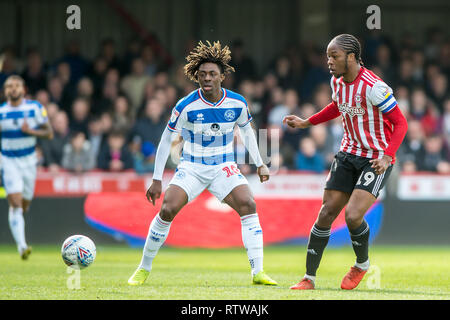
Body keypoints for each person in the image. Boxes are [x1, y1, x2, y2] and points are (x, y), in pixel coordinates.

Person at [128, 40, 277, 286]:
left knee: (248, 204)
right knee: (166, 209)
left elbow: (248, 132)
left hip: (223, 166)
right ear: (196, 77)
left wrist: (260, 162)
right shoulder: (185, 105)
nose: (207, 78)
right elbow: (166, 139)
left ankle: (258, 272)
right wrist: (156, 179)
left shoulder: (237, 103)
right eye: (202, 74)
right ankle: (143, 268)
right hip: (192, 167)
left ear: (222, 76)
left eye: (212, 74)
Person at [283, 34, 408, 290]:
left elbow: (401, 123)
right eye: (328, 56)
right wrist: (308, 122)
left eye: (334, 56)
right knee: (327, 213)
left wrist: (387, 156)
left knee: (352, 216)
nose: (329, 61)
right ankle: (309, 278)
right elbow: (337, 106)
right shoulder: (336, 81)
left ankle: (362, 264)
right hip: (347, 154)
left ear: (351, 57)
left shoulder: (374, 87)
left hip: (375, 159)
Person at [0, 75, 53, 259]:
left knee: (24, 205)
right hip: (8, 161)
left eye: (16, 86)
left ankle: (20, 234)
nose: (13, 89)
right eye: (9, 86)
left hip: (29, 161)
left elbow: (49, 133)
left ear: (23, 89)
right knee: (15, 203)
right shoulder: (1, 112)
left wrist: (31, 131)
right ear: (5, 91)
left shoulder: (35, 108)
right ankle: (22, 247)